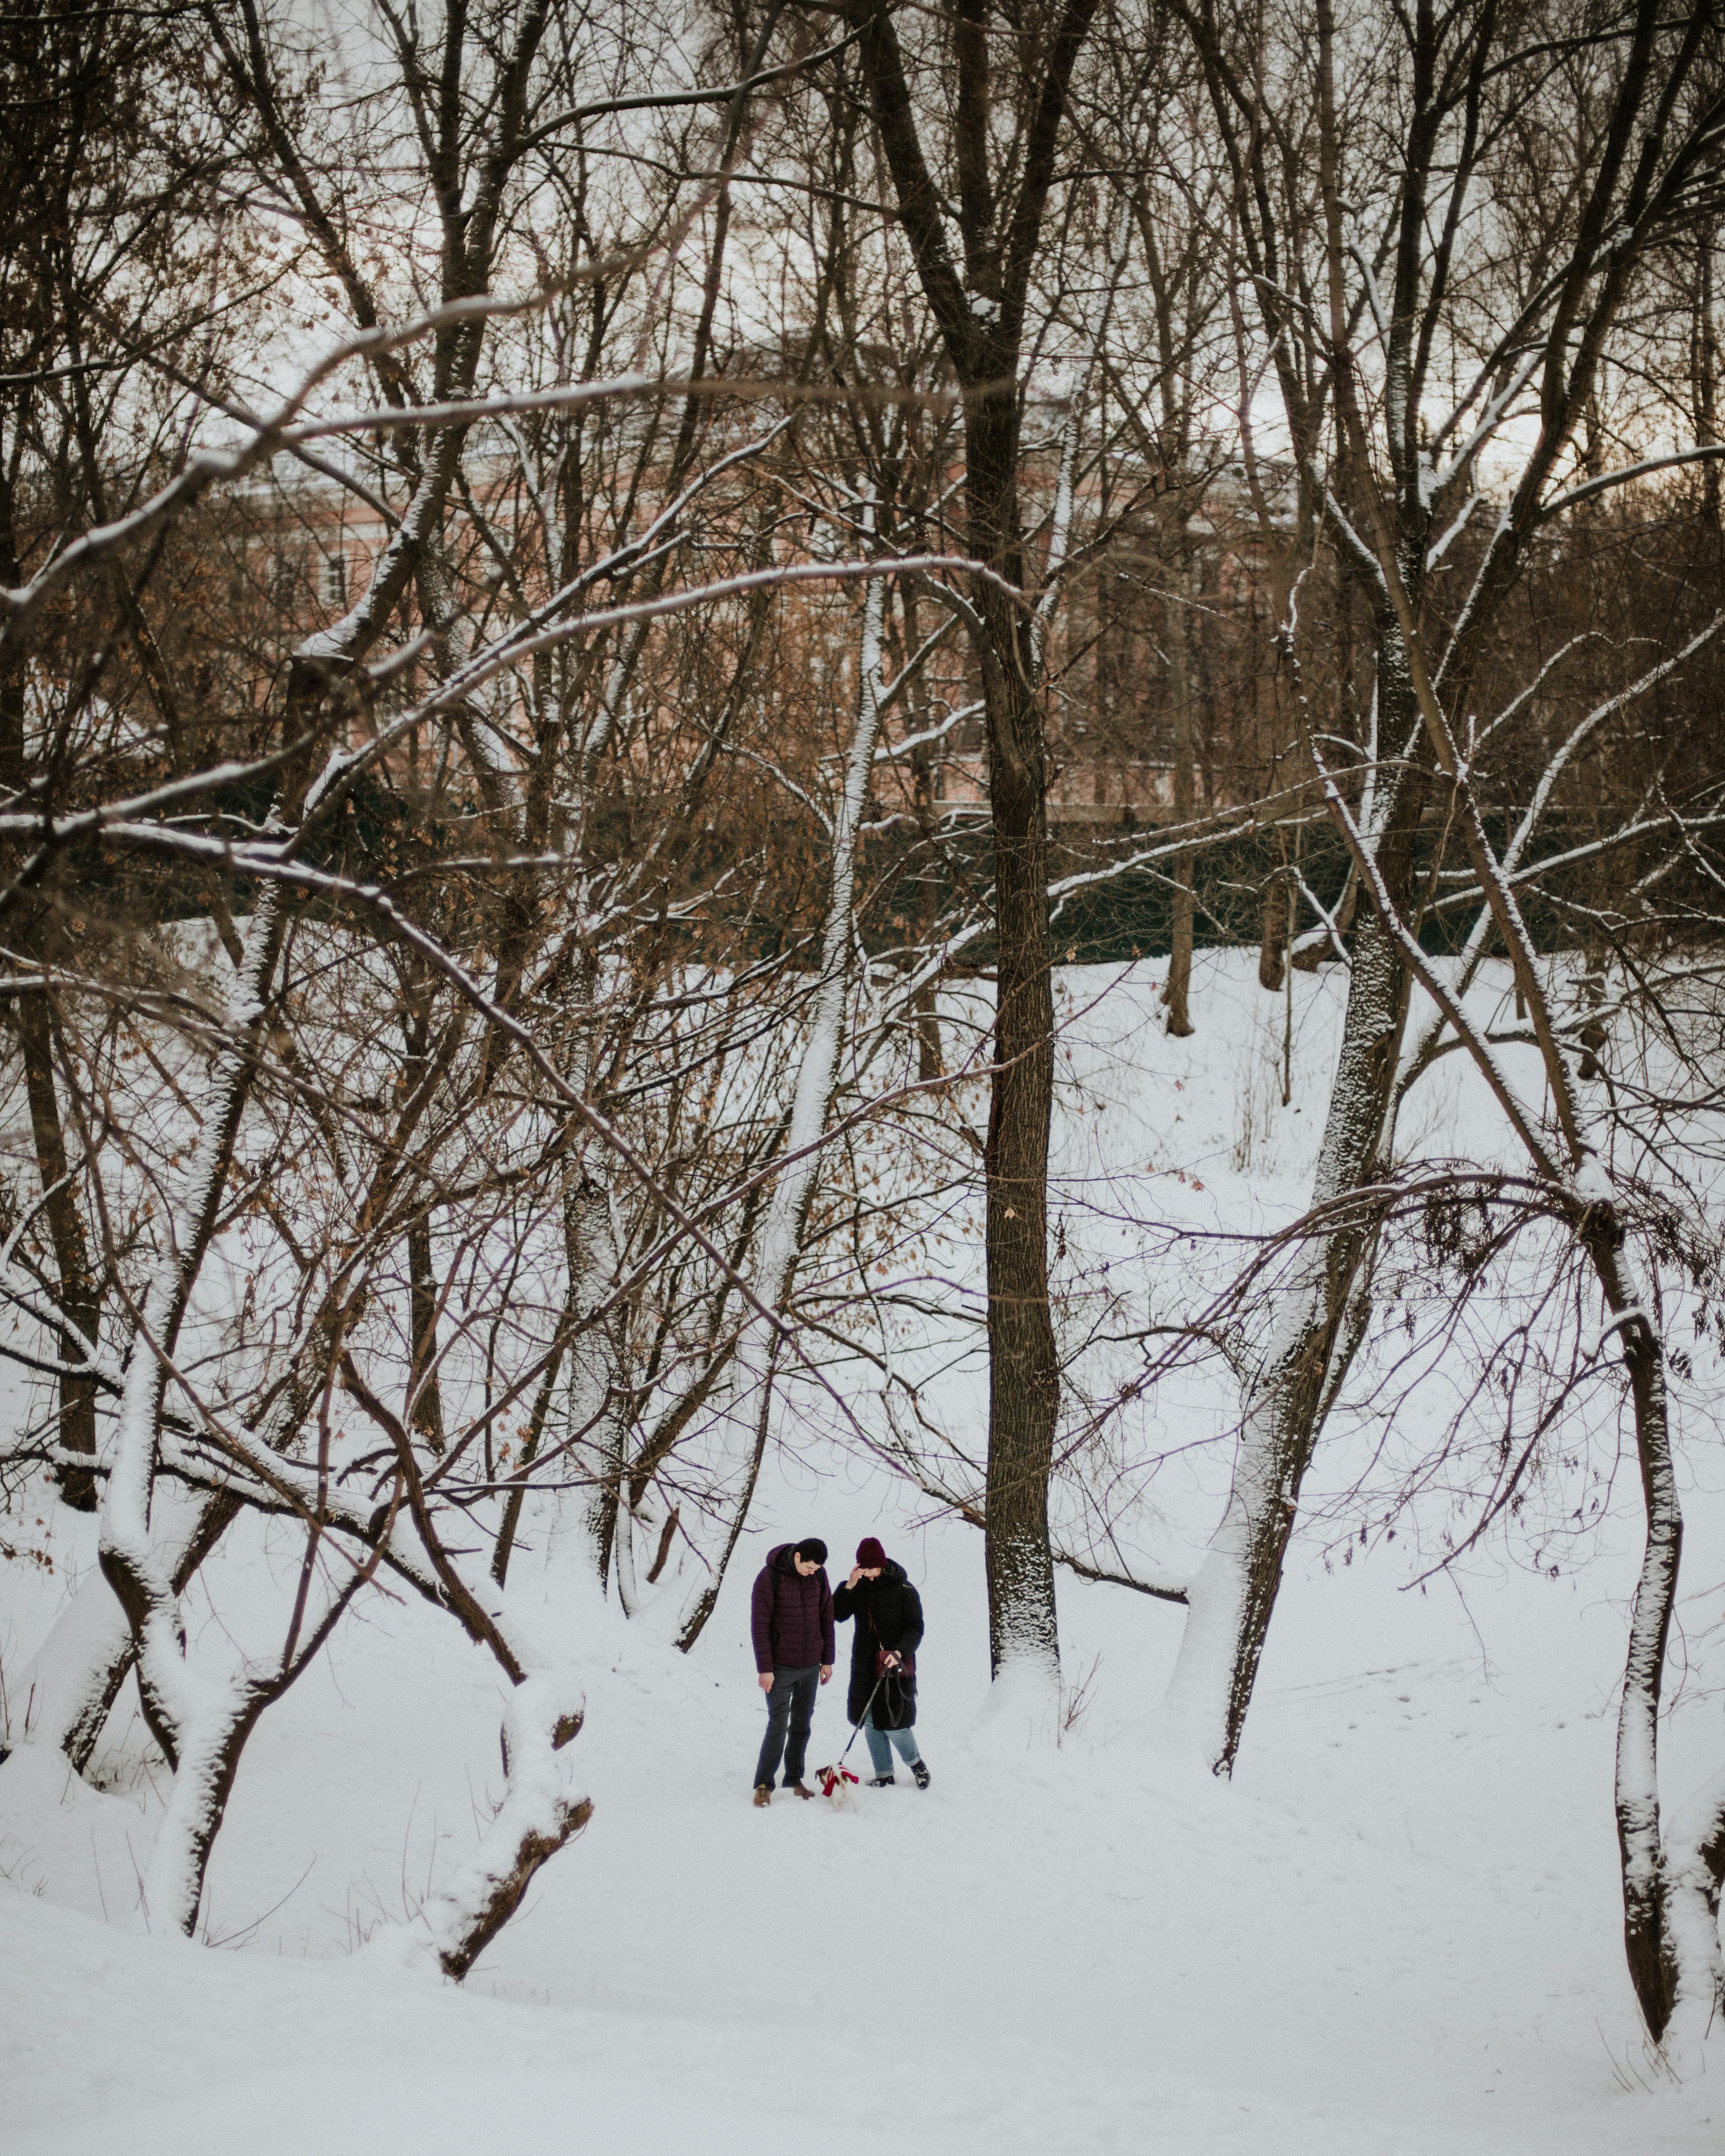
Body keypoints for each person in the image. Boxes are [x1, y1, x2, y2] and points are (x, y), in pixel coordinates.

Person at [832, 1536, 929, 1789]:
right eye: (863, 1568)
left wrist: (899, 1652)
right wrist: (850, 1586)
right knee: (871, 1721)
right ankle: (884, 1773)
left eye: (872, 1568)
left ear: (882, 1564)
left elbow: (916, 1628)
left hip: (895, 1665)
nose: (868, 1574)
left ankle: (917, 1764)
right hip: (865, 1665)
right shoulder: (857, 1586)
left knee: (895, 1723)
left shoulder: (905, 1590)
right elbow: (837, 1614)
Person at [749, 1537, 834, 1806]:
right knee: (778, 1725)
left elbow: (826, 1617)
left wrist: (827, 1660)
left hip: (810, 1665)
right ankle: (764, 1784)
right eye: (809, 1567)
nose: (813, 1573)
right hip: (780, 1668)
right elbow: (760, 1625)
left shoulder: (819, 1576)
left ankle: (794, 1778)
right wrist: (766, 1669)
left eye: (817, 1569)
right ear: (797, 1557)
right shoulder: (769, 1577)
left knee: (802, 1724)